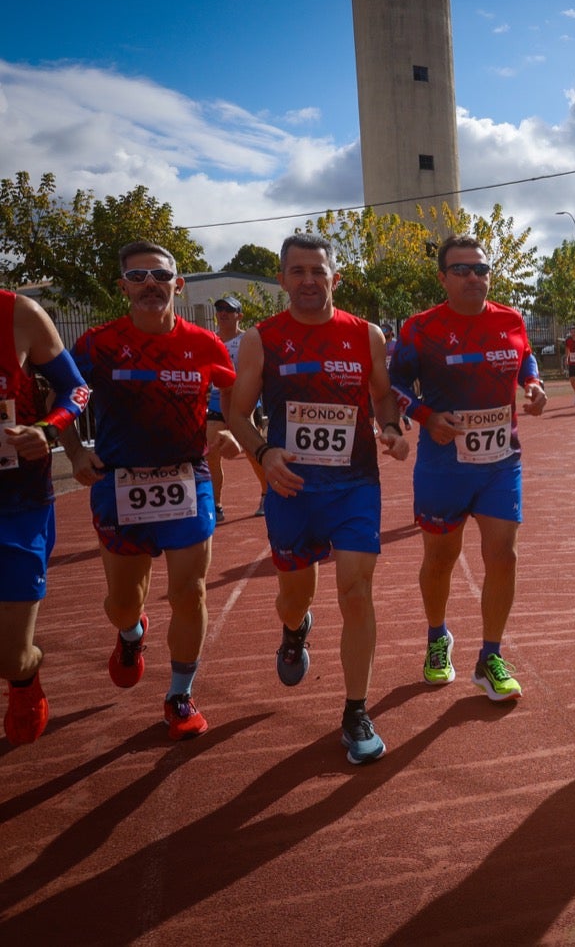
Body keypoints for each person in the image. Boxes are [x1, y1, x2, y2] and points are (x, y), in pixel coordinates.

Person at [226, 234, 410, 765]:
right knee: (295, 595)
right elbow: (239, 415)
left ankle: (356, 711)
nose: (309, 280)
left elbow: (379, 394)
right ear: (282, 279)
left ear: (335, 278)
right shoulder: (263, 339)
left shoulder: (366, 335)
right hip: (293, 490)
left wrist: (393, 428)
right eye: (298, 271)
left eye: (318, 271)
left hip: (355, 485)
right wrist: (263, 454)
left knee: (355, 592)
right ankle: (294, 628)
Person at [62, 242, 241, 741]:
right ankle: (130, 631)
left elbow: (234, 394)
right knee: (122, 600)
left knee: (190, 591)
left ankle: (180, 694)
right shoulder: (97, 344)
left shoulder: (205, 344)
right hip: (118, 484)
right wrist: (75, 451)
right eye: (137, 276)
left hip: (188, 480)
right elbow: (61, 396)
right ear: (123, 286)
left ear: (177, 285)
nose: (150, 284)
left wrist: (227, 428)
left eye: (160, 276)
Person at [389, 235, 546, 702]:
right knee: (440, 559)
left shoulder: (511, 319)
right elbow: (393, 384)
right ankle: (438, 636)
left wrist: (533, 384)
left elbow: (525, 359)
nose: (474, 277)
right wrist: (424, 417)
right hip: (443, 463)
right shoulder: (421, 329)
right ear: (442, 278)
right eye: (461, 270)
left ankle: (489, 656)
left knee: (504, 556)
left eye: (481, 269)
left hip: (502, 461)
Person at [0, 290, 91, 745]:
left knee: (12, 656)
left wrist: (47, 429)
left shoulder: (18, 313)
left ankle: (24, 678)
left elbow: (76, 388)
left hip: (16, 504)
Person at [208, 296, 270, 521]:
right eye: (219, 308)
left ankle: (266, 492)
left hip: (245, 397)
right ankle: (216, 504)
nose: (223, 312)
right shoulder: (210, 340)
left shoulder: (247, 340)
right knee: (211, 451)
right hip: (216, 398)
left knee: (250, 448)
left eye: (229, 309)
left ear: (239, 315)